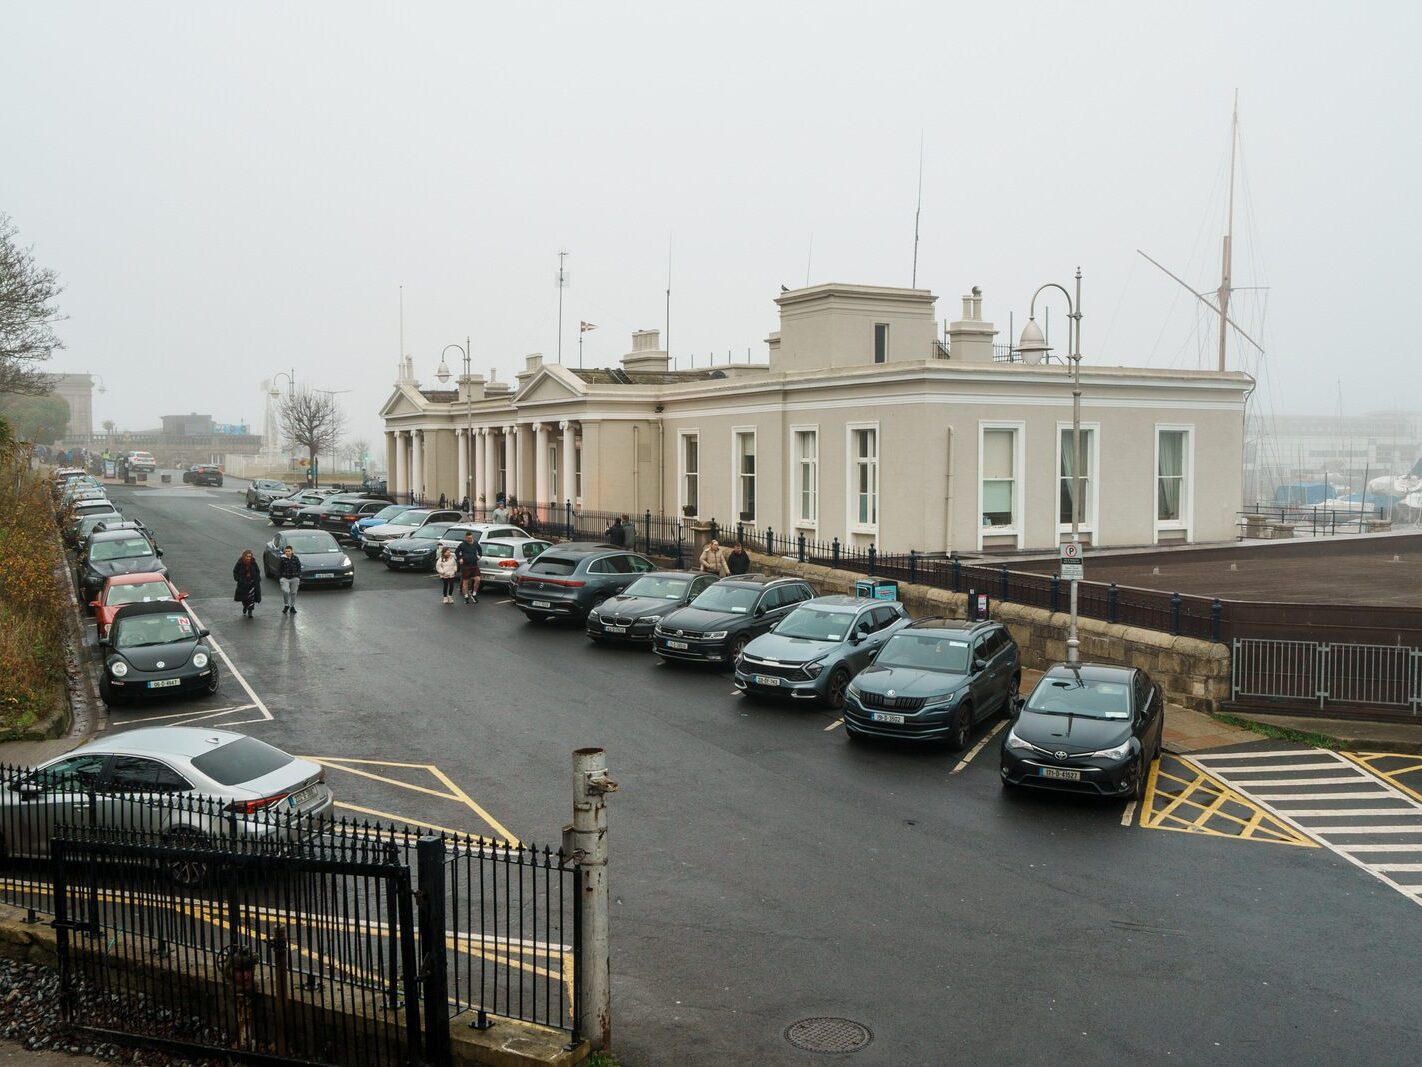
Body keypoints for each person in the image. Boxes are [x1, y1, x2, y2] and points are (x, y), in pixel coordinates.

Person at [232, 550, 262, 617]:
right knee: (244, 598)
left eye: (250, 556)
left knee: (251, 598)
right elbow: (235, 572)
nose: (248, 558)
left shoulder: (253, 563)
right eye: (247, 556)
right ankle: (245, 606)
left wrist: (257, 579)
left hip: (252, 583)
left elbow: (257, 571)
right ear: (244, 556)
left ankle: (250, 611)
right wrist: (239, 579)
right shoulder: (240, 563)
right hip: (243, 584)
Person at [455, 531, 482, 604]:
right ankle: (466, 596)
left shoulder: (475, 543)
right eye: (468, 538)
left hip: (474, 564)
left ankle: (474, 594)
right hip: (465, 565)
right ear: (465, 538)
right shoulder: (462, 544)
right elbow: (456, 552)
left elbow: (480, 550)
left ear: (472, 537)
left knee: (478, 579)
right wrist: (460, 558)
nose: (469, 539)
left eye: (471, 538)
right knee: (465, 581)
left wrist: (479, 555)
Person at [277, 543, 303, 614]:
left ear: (292, 551)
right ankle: (286, 605)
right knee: (286, 591)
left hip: (294, 578)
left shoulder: (295, 558)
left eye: (289, 551)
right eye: (286, 551)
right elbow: (279, 568)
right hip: (285, 578)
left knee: (294, 593)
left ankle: (292, 606)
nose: (287, 552)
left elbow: (299, 567)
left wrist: (298, 576)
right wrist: (280, 577)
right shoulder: (282, 559)